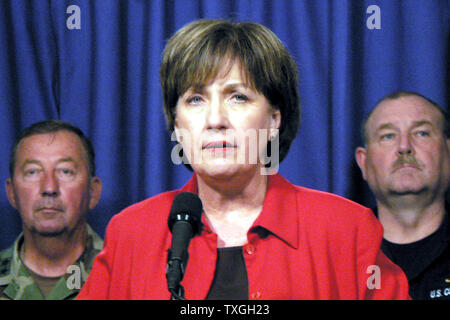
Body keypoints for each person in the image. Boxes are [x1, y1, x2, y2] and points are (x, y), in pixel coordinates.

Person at [78, 19, 409, 300]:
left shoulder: (347, 230)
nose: (215, 119)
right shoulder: (131, 233)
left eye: (238, 97)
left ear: (274, 120)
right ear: (177, 125)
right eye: (195, 99)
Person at [355, 91, 450, 300]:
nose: (404, 147)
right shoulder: (337, 253)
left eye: (422, 133)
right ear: (363, 163)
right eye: (388, 136)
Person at [0, 120, 103, 300]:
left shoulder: (125, 274)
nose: (49, 187)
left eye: (65, 171)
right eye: (32, 172)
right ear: (12, 193)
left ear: (92, 192)